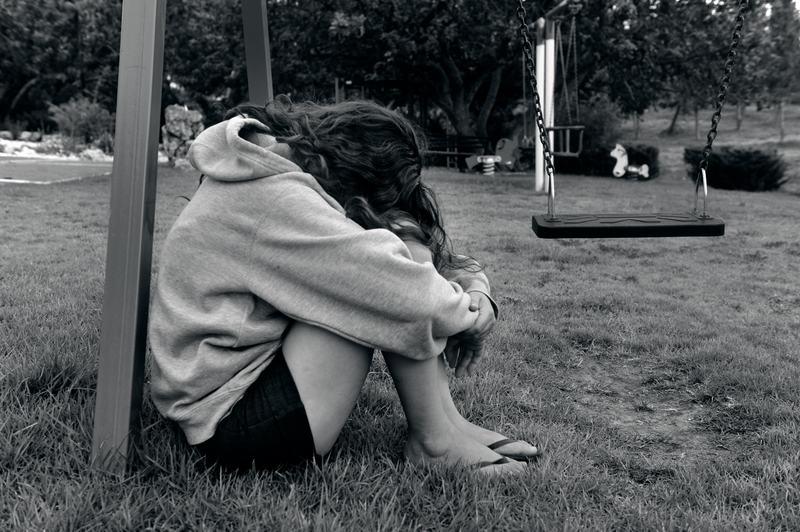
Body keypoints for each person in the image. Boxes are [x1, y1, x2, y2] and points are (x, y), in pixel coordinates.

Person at [147, 97, 540, 475]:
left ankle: (448, 424)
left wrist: (476, 290)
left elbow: (424, 258)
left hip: (221, 394)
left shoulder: (267, 169)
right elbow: (406, 291)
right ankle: (435, 443)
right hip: (227, 424)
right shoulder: (276, 199)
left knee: (395, 265)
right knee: (388, 287)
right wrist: (467, 316)